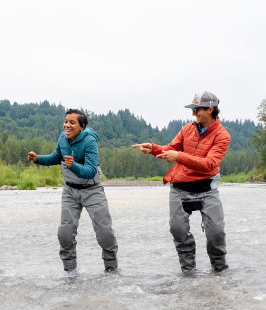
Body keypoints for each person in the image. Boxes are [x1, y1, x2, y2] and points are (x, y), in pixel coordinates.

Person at [132, 92, 230, 275]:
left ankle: (220, 273)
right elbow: (171, 149)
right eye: (192, 110)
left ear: (210, 109)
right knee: (177, 230)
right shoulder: (187, 129)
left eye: (196, 109)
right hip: (179, 186)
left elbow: (210, 164)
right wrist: (153, 149)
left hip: (207, 188)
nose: (193, 114)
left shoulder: (223, 136)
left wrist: (179, 157)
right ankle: (188, 272)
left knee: (216, 233)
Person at [27, 109, 118, 274]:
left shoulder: (90, 141)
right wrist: (38, 159)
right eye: (66, 121)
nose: (67, 125)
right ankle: (70, 272)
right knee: (65, 233)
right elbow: (56, 156)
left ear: (82, 126)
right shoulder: (63, 137)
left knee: (104, 231)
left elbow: (90, 171)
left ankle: (111, 268)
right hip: (70, 190)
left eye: (72, 123)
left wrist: (73, 165)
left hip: (92, 190)